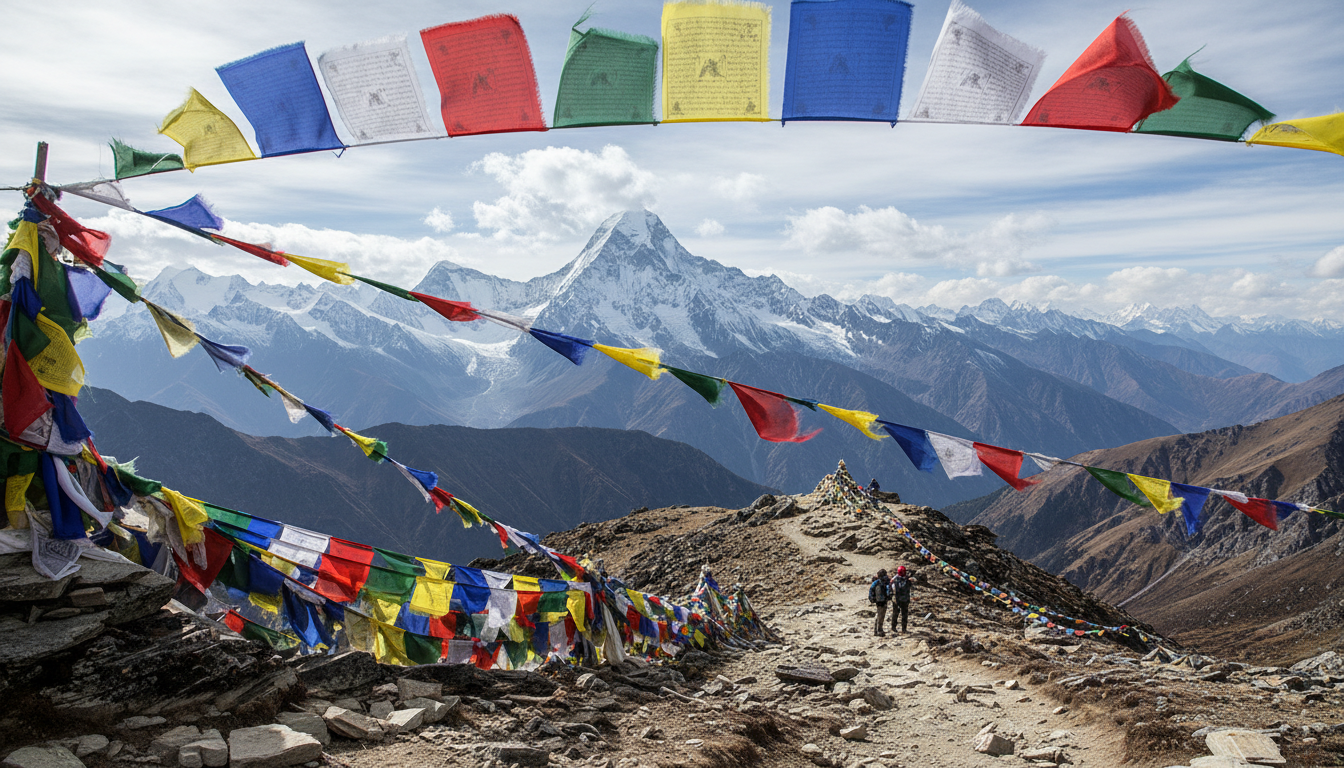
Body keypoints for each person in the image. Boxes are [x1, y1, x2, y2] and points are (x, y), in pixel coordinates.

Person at [890, 565, 912, 633]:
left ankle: (893, 627)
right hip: (905, 600)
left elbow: (892, 588)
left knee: (895, 614)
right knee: (904, 615)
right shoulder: (908, 580)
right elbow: (910, 586)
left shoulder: (895, 580)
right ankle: (904, 629)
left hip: (896, 599)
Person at [868, 569, 890, 637]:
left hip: (878, 600)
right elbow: (888, 590)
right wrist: (889, 597)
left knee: (879, 615)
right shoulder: (886, 581)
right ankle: (879, 630)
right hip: (883, 600)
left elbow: (871, 590)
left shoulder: (876, 582)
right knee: (881, 615)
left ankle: (876, 630)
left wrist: (871, 598)